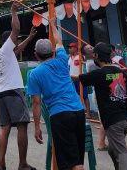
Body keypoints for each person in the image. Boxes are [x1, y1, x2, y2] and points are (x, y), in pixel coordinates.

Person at [27, 23, 85, 170]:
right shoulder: (61, 60)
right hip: (78, 111)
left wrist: (37, 127)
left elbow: (36, 102)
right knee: (77, 159)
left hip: (60, 116)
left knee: (71, 163)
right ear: (52, 52)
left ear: (36, 55)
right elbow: (59, 41)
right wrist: (52, 24)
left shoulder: (35, 74)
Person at [0, 2, 37, 170]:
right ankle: (22, 164)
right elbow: (16, 30)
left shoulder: (3, 55)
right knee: (22, 125)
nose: (16, 41)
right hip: (13, 92)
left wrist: (30, 37)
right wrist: (13, 12)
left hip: (2, 93)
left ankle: (1, 164)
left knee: (4, 129)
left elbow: (18, 49)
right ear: (8, 41)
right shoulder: (5, 49)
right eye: (14, 40)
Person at [79, 42, 127, 170]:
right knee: (113, 151)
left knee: (121, 155)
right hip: (126, 119)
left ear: (96, 56)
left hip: (113, 122)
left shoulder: (99, 74)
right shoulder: (121, 72)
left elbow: (79, 79)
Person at [68, 43, 91, 117]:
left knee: (85, 96)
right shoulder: (69, 58)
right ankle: (77, 111)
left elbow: (86, 61)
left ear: (75, 48)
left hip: (80, 78)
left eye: (71, 47)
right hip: (72, 79)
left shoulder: (80, 56)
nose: (69, 49)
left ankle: (88, 113)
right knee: (74, 96)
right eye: (69, 48)